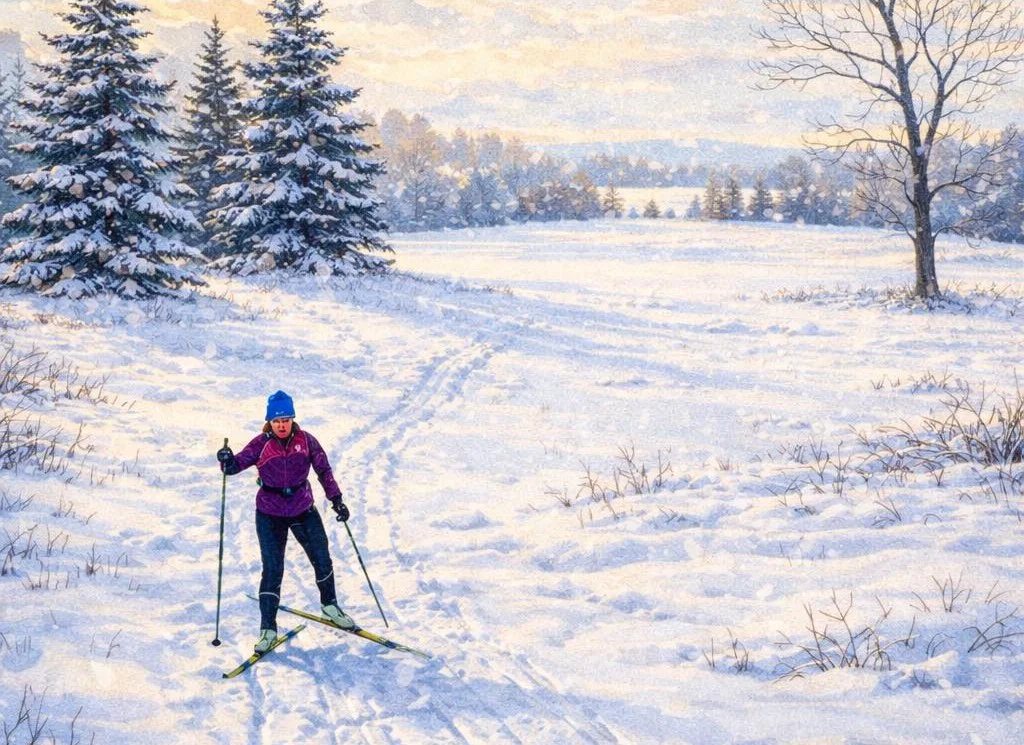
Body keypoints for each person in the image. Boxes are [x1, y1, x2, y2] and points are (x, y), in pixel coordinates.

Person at [216, 390, 355, 652]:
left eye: (287, 419)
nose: (282, 425)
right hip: (270, 513)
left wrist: (336, 499)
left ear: (293, 419)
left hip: (303, 508)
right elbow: (235, 466)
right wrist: (226, 459)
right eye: (277, 420)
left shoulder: (306, 441)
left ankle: (330, 606)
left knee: (322, 557)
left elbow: (323, 470)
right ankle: (267, 629)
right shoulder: (261, 444)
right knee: (272, 569)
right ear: (269, 421)